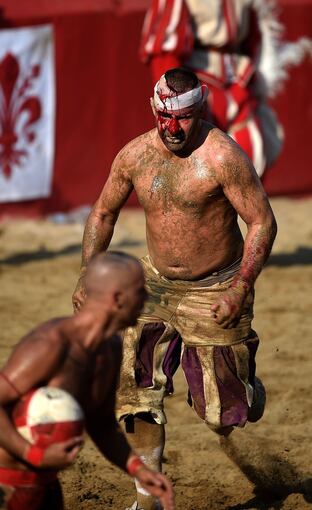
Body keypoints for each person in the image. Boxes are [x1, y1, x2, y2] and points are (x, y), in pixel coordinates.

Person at [73, 68, 277, 510]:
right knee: (134, 388)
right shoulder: (135, 155)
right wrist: (89, 273)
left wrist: (241, 287)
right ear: (154, 109)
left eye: (183, 119)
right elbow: (103, 213)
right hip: (154, 285)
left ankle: (246, 388)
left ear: (199, 110)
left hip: (217, 287)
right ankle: (147, 498)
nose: (173, 129)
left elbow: (261, 220)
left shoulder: (222, 157)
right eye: (166, 117)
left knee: (223, 414)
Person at [0, 252, 174, 510]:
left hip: (43, 484)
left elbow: (101, 425)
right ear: (117, 299)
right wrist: (35, 455)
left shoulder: (111, 348)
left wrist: (140, 471)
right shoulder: (51, 344)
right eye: (140, 292)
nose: (146, 299)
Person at [139, 0, 287, 178]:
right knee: (197, 165)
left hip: (239, 79)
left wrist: (254, 78)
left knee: (251, 155)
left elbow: (254, 34)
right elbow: (163, 48)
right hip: (197, 82)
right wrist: (175, 97)